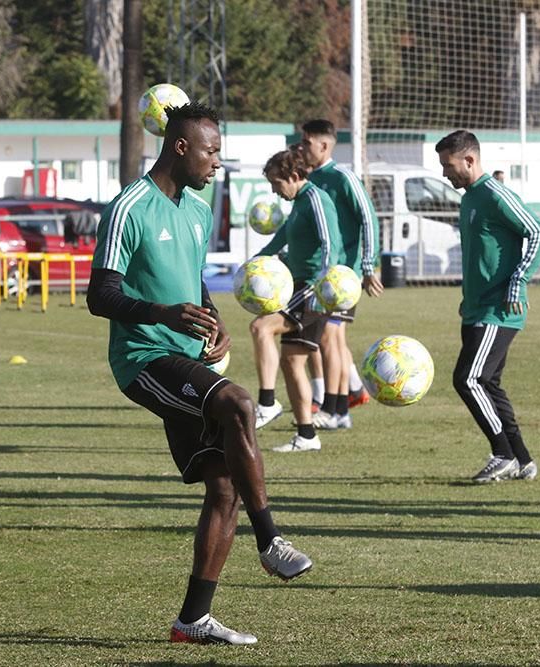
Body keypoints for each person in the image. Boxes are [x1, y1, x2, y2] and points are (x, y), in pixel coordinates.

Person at [88, 102, 312, 645]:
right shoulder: (129, 207)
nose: (217, 163)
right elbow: (100, 294)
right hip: (143, 358)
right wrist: (162, 315)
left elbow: (192, 281)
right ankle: (271, 541)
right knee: (238, 402)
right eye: (211, 151)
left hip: (188, 356)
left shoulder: (194, 207)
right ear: (180, 147)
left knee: (224, 486)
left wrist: (212, 321)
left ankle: (192, 620)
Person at [436, 130, 540, 483]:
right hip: (476, 309)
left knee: (468, 379)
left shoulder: (493, 194)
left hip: (499, 309)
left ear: (469, 160)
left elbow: (538, 231)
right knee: (489, 384)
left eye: (448, 165)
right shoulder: (469, 198)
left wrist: (517, 281)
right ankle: (522, 459)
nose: (445, 173)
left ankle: (502, 453)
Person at [250, 149, 344, 453]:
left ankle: (267, 402)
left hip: (313, 290)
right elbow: (281, 241)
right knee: (292, 362)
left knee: (260, 328)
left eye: (277, 183)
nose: (275, 191)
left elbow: (332, 244)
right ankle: (306, 435)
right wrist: (252, 264)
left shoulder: (316, 198)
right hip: (299, 287)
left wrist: (325, 287)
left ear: (294, 176)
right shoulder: (300, 203)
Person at [299, 119, 381, 430]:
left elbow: (368, 217)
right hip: (321, 277)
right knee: (327, 340)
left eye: (307, 143)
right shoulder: (310, 179)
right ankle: (345, 402)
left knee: (330, 338)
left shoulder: (341, 177)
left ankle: (336, 410)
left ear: (323, 145)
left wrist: (368, 266)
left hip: (342, 277)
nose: (303, 148)